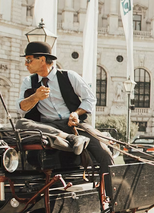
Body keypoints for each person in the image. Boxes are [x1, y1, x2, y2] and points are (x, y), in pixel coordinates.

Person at [17, 41, 113, 171]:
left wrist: (76, 114)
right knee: (21, 123)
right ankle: (72, 139)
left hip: (73, 124)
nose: (26, 64)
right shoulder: (28, 82)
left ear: (42, 60)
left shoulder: (69, 76)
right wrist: (35, 97)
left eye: (29, 60)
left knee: (104, 153)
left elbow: (89, 99)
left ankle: (109, 188)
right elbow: (20, 108)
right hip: (47, 127)